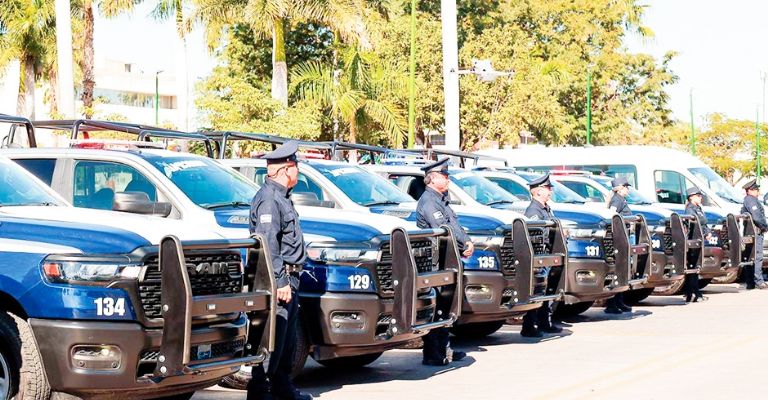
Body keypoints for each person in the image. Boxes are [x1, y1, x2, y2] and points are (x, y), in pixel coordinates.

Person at [247, 141, 312, 400]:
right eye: (296, 167)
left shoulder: (282, 197)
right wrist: (280, 280)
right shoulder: (269, 200)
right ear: (287, 169)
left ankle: (283, 389)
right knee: (271, 339)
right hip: (278, 281)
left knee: (285, 341)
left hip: (291, 278)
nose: (298, 172)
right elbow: (267, 243)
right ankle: (260, 392)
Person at [416, 158, 473, 366]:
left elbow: (455, 226)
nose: (448, 179)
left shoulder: (442, 199)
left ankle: (444, 349)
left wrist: (466, 241)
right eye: (444, 176)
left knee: (446, 306)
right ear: (432, 180)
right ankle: (433, 353)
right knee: (438, 306)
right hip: (436, 261)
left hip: (448, 258)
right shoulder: (430, 202)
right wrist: (462, 244)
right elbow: (443, 229)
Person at [520, 173, 563, 338]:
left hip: (548, 255)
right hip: (539, 256)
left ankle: (545, 322)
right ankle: (530, 326)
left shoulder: (545, 208)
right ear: (538, 192)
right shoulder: (534, 210)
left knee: (545, 291)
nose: (550, 191)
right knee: (536, 291)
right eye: (547, 188)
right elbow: (537, 234)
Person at [604, 176, 633, 314]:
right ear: (620, 187)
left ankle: (619, 301)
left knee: (622, 270)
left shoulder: (621, 199)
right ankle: (612, 303)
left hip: (624, 236)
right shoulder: (617, 199)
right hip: (619, 238)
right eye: (626, 187)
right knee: (618, 270)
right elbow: (612, 216)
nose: (628, 190)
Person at [741, 179, 768, 290]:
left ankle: (750, 282)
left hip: (751, 233)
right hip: (755, 232)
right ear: (750, 190)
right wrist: (764, 226)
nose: (758, 192)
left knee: (750, 257)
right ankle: (758, 281)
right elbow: (756, 216)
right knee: (757, 257)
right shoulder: (751, 200)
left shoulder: (749, 200)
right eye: (756, 190)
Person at [683, 187, 709, 302]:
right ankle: (691, 292)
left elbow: (704, 223)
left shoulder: (698, 208)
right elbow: (693, 225)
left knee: (696, 267)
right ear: (692, 197)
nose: (700, 197)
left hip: (699, 240)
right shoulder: (690, 209)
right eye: (698, 196)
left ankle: (695, 292)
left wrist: (707, 232)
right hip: (693, 241)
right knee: (692, 267)